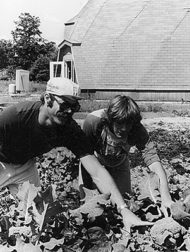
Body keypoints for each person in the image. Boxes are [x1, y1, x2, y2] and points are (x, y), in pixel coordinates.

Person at [0, 77, 152, 231]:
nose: (69, 111)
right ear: (48, 98)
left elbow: (97, 171)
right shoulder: (16, 116)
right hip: (1, 163)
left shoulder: (69, 130)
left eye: (75, 106)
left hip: (25, 167)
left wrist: (123, 209)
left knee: (33, 220)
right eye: (65, 104)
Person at [79, 95, 173, 216]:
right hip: (95, 163)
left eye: (128, 124)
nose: (123, 129)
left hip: (120, 163)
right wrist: (87, 190)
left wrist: (166, 196)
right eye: (119, 123)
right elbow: (86, 157)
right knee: (92, 206)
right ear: (110, 119)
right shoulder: (93, 122)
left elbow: (154, 161)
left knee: (125, 204)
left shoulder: (138, 130)